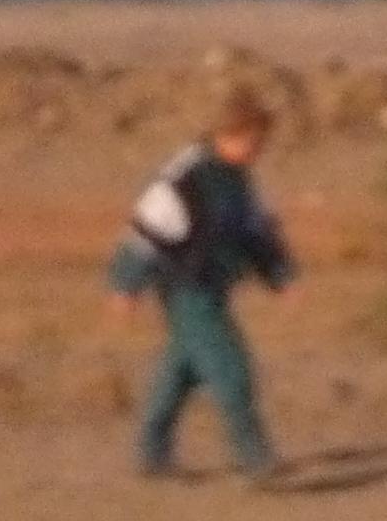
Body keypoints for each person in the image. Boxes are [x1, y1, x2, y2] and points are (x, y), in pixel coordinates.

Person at [108, 87, 297, 482]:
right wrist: (126, 285)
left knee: (180, 371)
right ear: (230, 134)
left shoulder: (237, 179)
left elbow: (254, 233)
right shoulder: (184, 179)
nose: (258, 151)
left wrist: (280, 276)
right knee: (231, 369)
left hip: (214, 286)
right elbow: (145, 233)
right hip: (186, 290)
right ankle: (255, 458)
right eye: (254, 142)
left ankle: (152, 453)